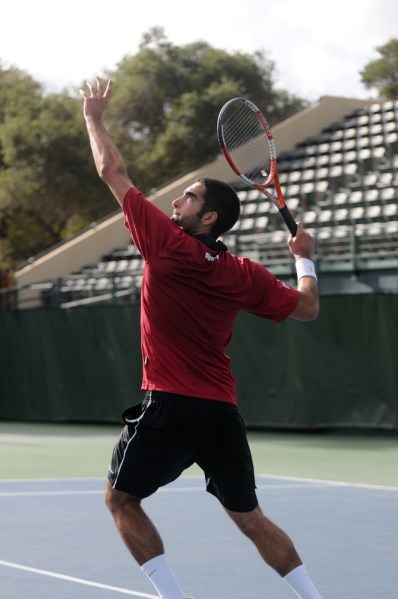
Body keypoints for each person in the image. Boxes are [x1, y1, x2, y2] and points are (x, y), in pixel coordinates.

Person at [81, 77, 322, 599]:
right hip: (220, 412)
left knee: (120, 500)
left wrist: (94, 119)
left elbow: (111, 170)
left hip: (169, 405)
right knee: (251, 517)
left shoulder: (166, 246)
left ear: (208, 217)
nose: (176, 201)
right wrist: (303, 256)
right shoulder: (244, 272)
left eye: (187, 197)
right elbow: (307, 307)